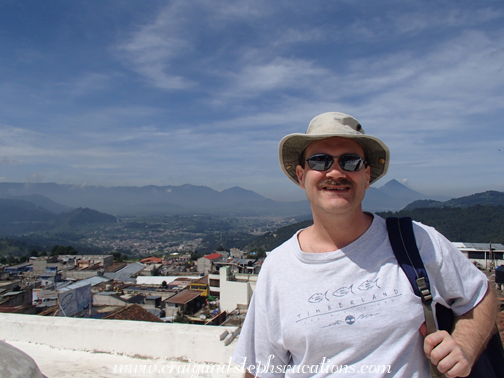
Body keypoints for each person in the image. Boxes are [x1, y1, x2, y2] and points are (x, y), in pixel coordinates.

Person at [232, 112, 497, 378]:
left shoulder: (416, 241)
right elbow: (259, 371)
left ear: (367, 176)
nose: (335, 172)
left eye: (351, 161)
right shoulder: (278, 268)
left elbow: (480, 296)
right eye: (320, 160)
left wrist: (465, 346)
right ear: (302, 176)